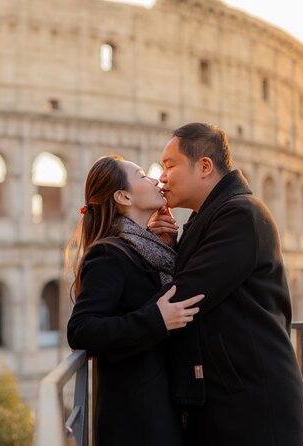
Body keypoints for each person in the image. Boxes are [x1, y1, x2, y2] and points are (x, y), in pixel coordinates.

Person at [150, 123, 303, 445]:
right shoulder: (209, 216)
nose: (161, 177)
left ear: (205, 167)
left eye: (169, 165)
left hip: (253, 406)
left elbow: (186, 296)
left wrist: (118, 325)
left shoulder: (240, 215)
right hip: (231, 397)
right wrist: (167, 245)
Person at [66, 155, 204, 446]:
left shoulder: (146, 249)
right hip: (135, 417)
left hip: (158, 407)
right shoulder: (108, 254)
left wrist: (168, 247)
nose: (156, 180)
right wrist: (157, 319)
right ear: (123, 195)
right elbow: (81, 330)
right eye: (143, 176)